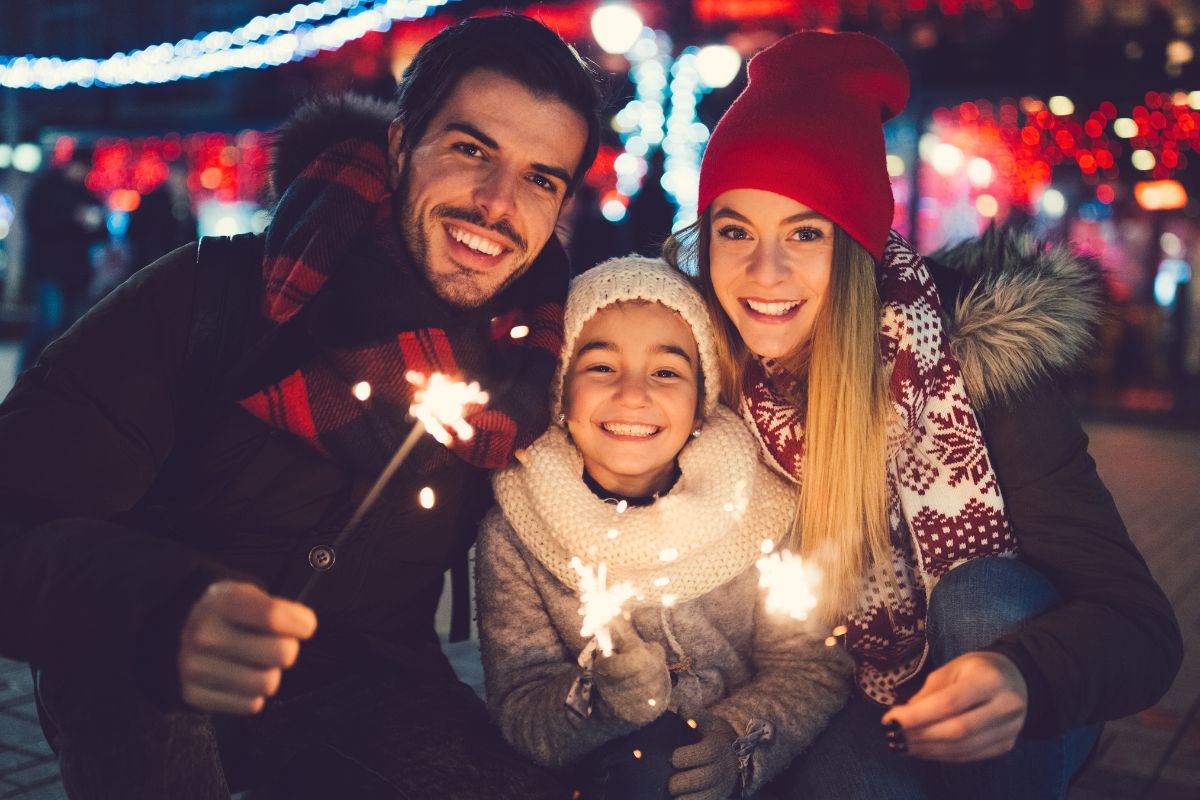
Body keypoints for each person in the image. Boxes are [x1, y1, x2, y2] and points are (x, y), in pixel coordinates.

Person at [0, 14, 601, 799]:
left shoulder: (531, 365)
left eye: (539, 178)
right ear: (398, 148)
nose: (495, 202)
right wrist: (157, 606)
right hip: (148, 674)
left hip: (369, 693)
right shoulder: (212, 298)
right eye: (471, 149)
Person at [665, 30, 1183, 799]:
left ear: (854, 245)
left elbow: (1143, 632)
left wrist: (1024, 677)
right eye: (735, 230)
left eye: (805, 233)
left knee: (982, 598)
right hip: (846, 691)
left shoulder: (978, 365)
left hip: (1020, 698)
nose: (762, 272)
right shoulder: (695, 362)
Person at [476, 256, 852, 800]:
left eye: (667, 372)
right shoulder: (516, 532)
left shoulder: (760, 511)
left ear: (701, 404)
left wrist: (735, 743)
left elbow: (811, 671)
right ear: (561, 393)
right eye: (601, 367)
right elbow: (521, 708)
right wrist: (598, 696)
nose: (634, 394)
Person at [17, 147, 107, 372]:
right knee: (50, 318)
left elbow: (102, 232)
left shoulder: (86, 194)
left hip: (76, 271)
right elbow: (35, 222)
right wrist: (73, 218)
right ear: (71, 164)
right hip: (47, 268)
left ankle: (61, 373)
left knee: (72, 325)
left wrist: (95, 224)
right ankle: (25, 367)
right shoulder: (45, 188)